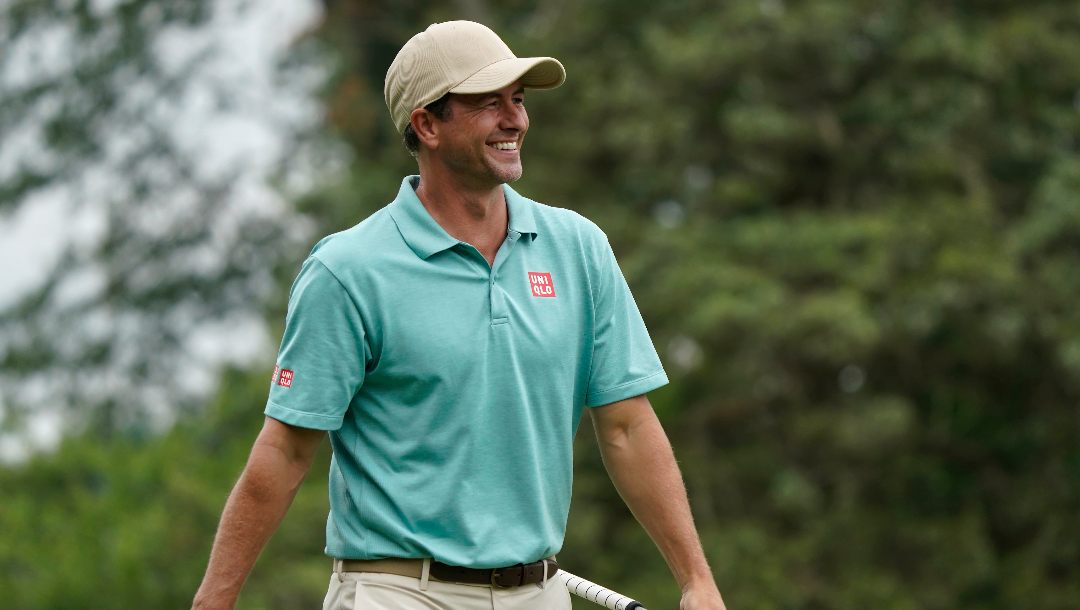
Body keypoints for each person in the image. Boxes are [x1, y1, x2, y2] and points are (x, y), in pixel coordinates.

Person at [192, 20, 727, 610]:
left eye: (518, 101)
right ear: (427, 125)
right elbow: (286, 451)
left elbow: (627, 427)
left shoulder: (578, 248)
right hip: (395, 591)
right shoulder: (348, 270)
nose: (515, 120)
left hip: (538, 592)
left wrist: (695, 579)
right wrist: (214, 599)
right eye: (488, 103)